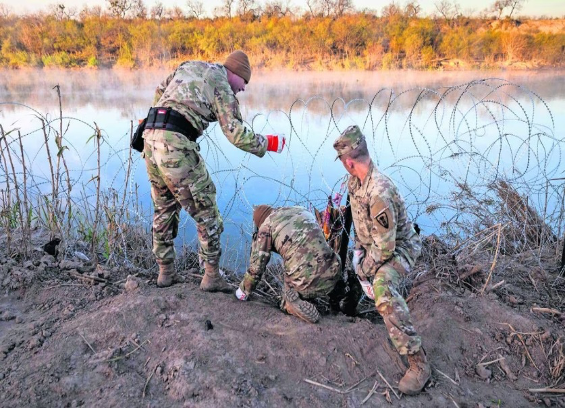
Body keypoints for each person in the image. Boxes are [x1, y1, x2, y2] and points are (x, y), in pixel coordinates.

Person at [142, 50, 286, 290]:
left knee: (163, 209)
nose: (243, 89)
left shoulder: (190, 65)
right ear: (235, 73)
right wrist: (270, 143)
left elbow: (160, 90)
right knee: (206, 210)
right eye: (244, 82)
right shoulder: (221, 84)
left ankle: (165, 273)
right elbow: (236, 134)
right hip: (176, 145)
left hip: (150, 139)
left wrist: (157, 120)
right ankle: (211, 277)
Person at [333, 125, 430, 395]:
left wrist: (364, 268)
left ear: (349, 162)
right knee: (359, 268)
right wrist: (357, 253)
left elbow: (386, 250)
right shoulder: (356, 182)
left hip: (400, 248)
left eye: (343, 162)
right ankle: (350, 306)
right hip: (375, 245)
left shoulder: (379, 193)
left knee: (382, 287)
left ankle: (418, 362)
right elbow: (364, 229)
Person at [235, 205, 356, 323]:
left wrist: (243, 291)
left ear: (259, 222)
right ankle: (338, 303)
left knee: (287, 294)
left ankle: (292, 304)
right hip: (334, 270)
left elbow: (256, 268)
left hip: (307, 280)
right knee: (322, 261)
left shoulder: (266, 227)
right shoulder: (299, 210)